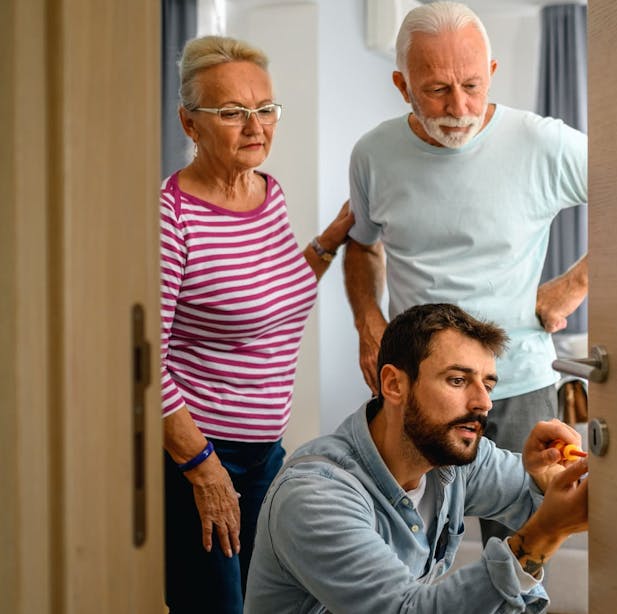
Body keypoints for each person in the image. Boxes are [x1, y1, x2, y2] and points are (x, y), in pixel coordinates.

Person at [343, 0, 589, 546]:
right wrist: (367, 320)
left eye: (473, 86)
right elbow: (361, 246)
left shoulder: (541, 143)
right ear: (401, 84)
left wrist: (573, 286)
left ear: (493, 74)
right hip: (418, 388)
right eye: (436, 90)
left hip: (517, 382)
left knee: (524, 547)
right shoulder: (372, 155)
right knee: (406, 547)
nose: (460, 107)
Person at [160, 35, 354, 613]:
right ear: (189, 124)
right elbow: (140, 362)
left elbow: (279, 294)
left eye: (265, 109)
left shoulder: (268, 194)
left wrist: (332, 238)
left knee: (275, 603)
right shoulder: (171, 218)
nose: (256, 126)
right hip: (199, 455)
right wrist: (202, 468)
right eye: (232, 113)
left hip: (266, 452)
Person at [244, 303, 589, 613]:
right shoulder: (315, 497)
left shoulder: (454, 458)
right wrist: (544, 531)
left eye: (488, 384)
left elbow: (570, 506)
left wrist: (550, 484)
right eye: (457, 380)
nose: (483, 403)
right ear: (394, 385)